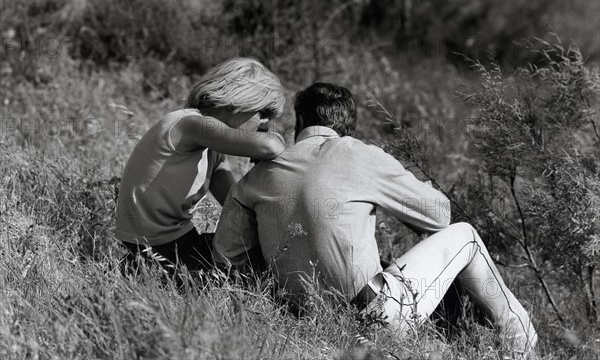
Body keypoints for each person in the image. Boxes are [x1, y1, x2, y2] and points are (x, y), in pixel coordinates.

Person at [213, 83, 538, 357]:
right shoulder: (358, 153)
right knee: (464, 235)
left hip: (304, 320)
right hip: (374, 319)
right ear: (347, 128)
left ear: (299, 123)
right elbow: (439, 216)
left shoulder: (253, 178)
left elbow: (227, 256)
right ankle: (523, 343)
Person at [116, 57, 286, 277]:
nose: (265, 125)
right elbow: (269, 146)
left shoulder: (210, 149)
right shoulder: (190, 124)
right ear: (239, 102)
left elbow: (235, 205)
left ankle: (135, 270)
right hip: (161, 246)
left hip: (171, 244)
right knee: (250, 273)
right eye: (263, 114)